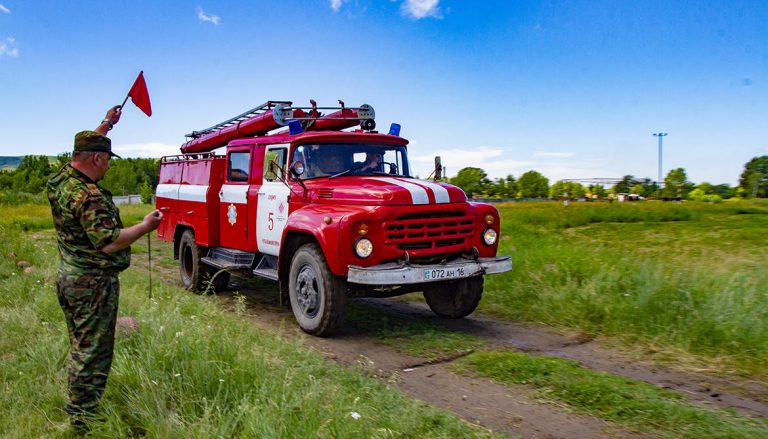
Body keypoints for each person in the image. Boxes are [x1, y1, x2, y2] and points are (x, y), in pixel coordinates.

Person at [46, 105, 163, 428]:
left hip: (69, 278)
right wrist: (144, 226)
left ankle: (80, 408)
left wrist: (106, 125)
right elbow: (109, 242)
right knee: (92, 352)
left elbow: (83, 147)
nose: (109, 166)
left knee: (81, 344)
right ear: (96, 159)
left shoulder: (60, 180)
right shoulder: (89, 195)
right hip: (92, 286)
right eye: (107, 159)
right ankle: (83, 421)